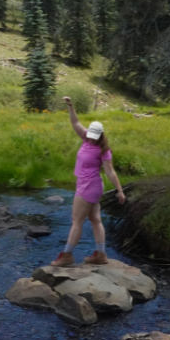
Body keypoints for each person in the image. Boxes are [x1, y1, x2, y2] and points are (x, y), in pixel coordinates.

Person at [51, 97, 126, 265]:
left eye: (94, 137)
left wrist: (120, 191)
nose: (91, 139)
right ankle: (101, 255)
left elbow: (110, 171)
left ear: (100, 135)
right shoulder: (85, 137)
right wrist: (71, 106)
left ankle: (67, 255)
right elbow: (75, 122)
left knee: (76, 221)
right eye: (90, 135)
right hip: (88, 185)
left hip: (89, 186)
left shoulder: (104, 150)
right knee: (95, 219)